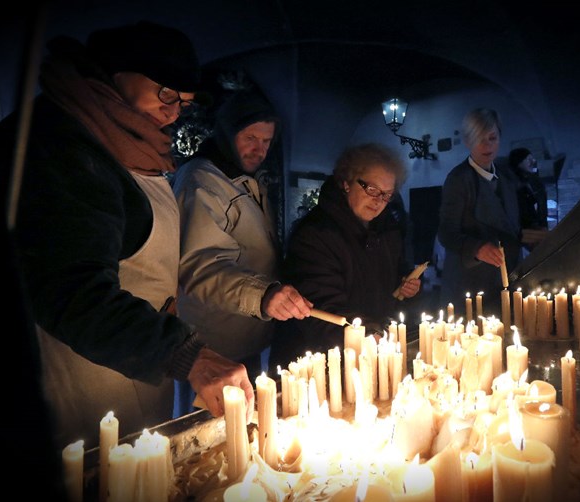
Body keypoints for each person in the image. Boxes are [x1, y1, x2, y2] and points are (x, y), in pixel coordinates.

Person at [0, 21, 254, 450]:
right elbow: (69, 289)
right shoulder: (62, 146)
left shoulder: (127, 145)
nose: (173, 112)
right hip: (77, 391)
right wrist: (188, 355)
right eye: (166, 93)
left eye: (183, 103)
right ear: (115, 73)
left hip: (130, 376)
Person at [173, 91, 312, 414]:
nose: (259, 149)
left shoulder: (246, 182)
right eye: (250, 137)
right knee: (208, 434)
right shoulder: (201, 181)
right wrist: (262, 295)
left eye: (266, 141)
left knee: (240, 428)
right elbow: (201, 266)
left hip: (244, 332)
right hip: (213, 342)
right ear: (226, 132)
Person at [276, 143, 421, 361]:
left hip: (371, 345)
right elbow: (321, 309)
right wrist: (368, 333)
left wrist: (406, 285)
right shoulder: (316, 234)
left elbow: (394, 273)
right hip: (323, 359)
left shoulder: (387, 229)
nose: (378, 201)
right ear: (346, 183)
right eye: (371, 189)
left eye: (386, 194)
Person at [437, 108, 521, 320]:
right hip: (470, 284)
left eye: (492, 138)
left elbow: (511, 225)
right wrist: (477, 247)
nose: (487, 146)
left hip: (505, 278)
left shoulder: (506, 176)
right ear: (467, 141)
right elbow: (446, 233)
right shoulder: (458, 179)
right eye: (479, 139)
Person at [509, 147, 549, 251]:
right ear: (518, 163)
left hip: (537, 228)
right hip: (528, 231)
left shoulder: (532, 181)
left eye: (533, 158)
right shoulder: (513, 185)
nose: (533, 161)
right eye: (528, 159)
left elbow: (541, 204)